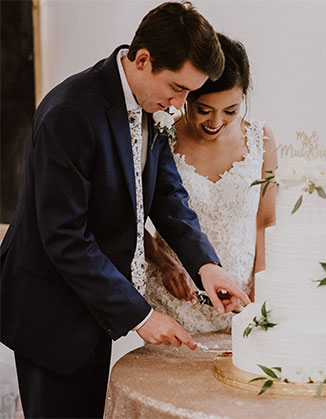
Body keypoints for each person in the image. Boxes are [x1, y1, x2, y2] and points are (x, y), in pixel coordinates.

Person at [0, 3, 250, 418]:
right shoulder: (70, 113)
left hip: (95, 309)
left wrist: (206, 265)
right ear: (143, 60)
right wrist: (141, 315)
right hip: (51, 313)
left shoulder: (151, 104)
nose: (180, 104)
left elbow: (168, 197)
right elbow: (64, 236)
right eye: (178, 88)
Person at [144, 33, 277, 333]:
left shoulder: (261, 138)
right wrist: (163, 263)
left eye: (230, 111)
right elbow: (129, 215)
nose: (216, 122)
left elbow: (266, 220)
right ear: (185, 95)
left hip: (243, 301)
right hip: (178, 299)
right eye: (204, 109)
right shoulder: (160, 137)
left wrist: (262, 283)